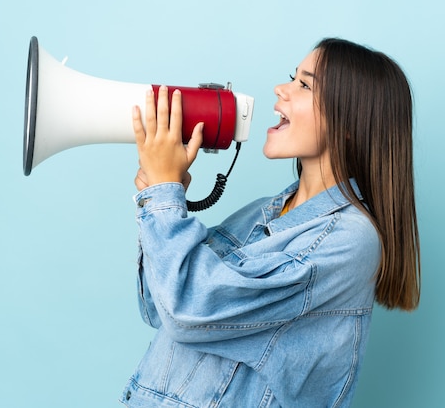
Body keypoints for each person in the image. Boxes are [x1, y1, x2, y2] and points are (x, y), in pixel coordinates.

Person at [120, 37, 421, 407]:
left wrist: (163, 200)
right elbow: (160, 308)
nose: (281, 89)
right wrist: (161, 197)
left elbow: (189, 311)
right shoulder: (263, 211)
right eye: (293, 78)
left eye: (305, 84)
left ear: (350, 123)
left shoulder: (350, 240)